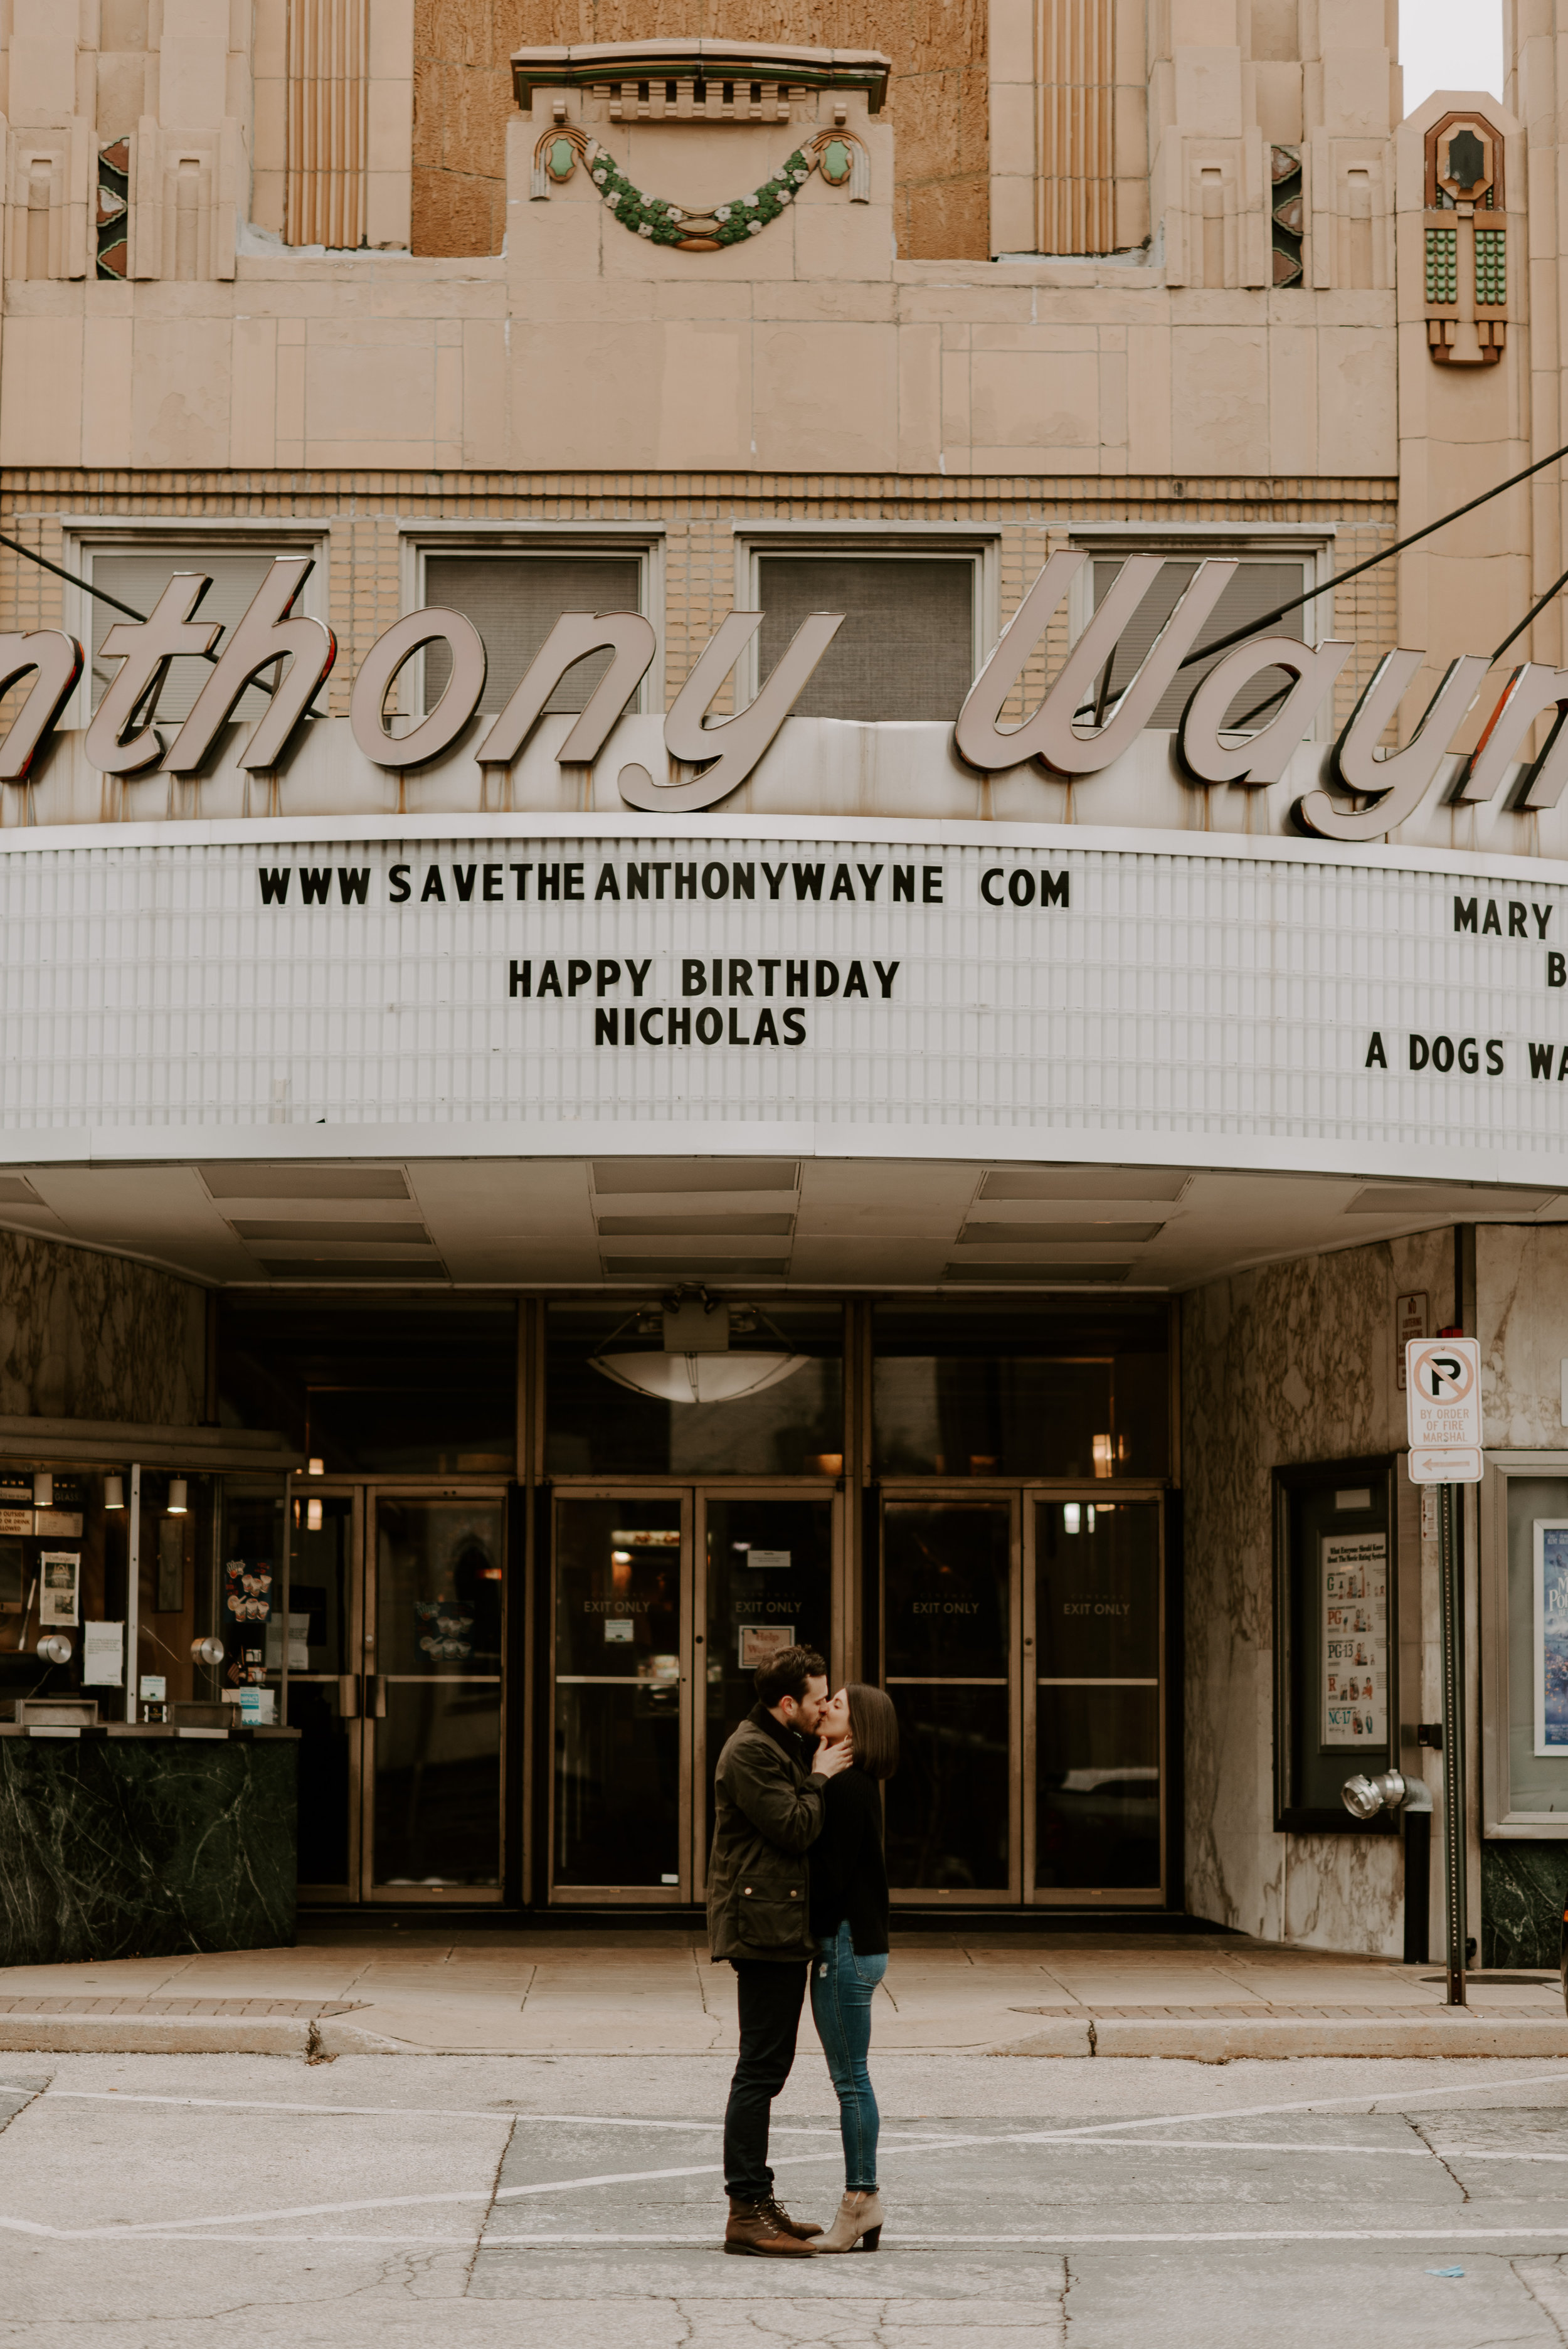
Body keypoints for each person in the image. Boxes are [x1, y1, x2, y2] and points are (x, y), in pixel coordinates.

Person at [707, 1641, 852, 2258]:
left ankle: (760, 2201)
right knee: (759, 2069)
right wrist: (821, 1774)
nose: (825, 1708)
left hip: (777, 1921)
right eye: (819, 1698)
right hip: (762, 1926)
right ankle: (746, 2210)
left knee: (769, 2067)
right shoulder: (750, 1751)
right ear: (787, 1701)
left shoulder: (775, 1742)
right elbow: (793, 1826)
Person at [805, 1682, 899, 2253]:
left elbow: (830, 1877)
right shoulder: (858, 1786)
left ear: (858, 1730)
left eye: (836, 1704)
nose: (825, 1706)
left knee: (851, 2081)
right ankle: (863, 2202)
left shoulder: (845, 1788)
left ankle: (859, 2203)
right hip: (858, 1943)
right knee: (853, 2078)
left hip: (843, 1945)